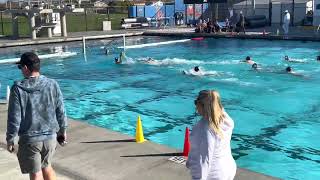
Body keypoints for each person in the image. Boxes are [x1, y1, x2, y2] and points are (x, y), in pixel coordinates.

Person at [6, 52, 67, 180]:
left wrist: (11, 139)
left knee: (35, 173)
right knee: (47, 166)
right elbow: (60, 110)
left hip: (30, 139)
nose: (21, 70)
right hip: (50, 137)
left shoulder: (18, 89)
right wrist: (63, 130)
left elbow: (14, 117)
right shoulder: (52, 84)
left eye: (20, 67)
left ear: (26, 68)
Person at [186, 90, 237, 180]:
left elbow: (205, 159)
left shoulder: (205, 129)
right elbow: (217, 106)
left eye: (196, 103)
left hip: (213, 175)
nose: (196, 107)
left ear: (203, 105)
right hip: (228, 168)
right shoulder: (225, 119)